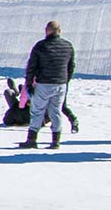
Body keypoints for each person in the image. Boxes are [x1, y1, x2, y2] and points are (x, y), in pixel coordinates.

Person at [19, 20, 75, 149]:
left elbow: (31, 67)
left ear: (46, 30)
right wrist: (66, 80)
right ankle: (56, 141)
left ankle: (32, 140)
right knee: (56, 111)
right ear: (59, 31)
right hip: (60, 84)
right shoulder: (68, 46)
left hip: (44, 83)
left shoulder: (40, 46)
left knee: (37, 111)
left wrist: (29, 83)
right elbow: (71, 66)